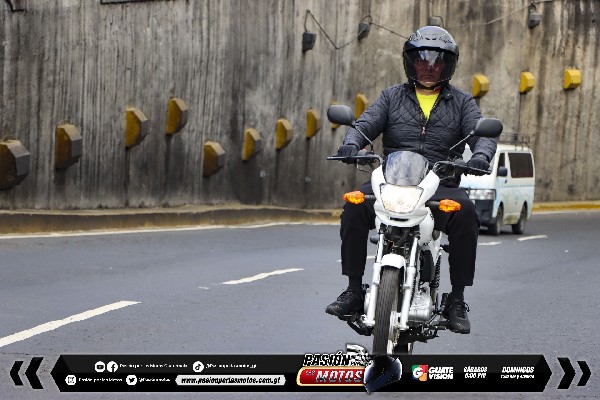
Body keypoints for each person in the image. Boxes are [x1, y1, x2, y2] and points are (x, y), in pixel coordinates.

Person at [325, 26, 497, 334]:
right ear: (410, 62)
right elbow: (365, 124)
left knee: (467, 214)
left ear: (448, 65)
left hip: (440, 182)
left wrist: (481, 156)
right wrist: (351, 144)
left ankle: (457, 299)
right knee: (354, 205)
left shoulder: (462, 102)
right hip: (393, 179)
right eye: (421, 59)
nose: (429, 66)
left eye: (437, 61)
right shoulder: (391, 96)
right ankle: (353, 289)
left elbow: (481, 133)